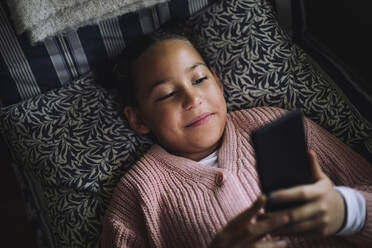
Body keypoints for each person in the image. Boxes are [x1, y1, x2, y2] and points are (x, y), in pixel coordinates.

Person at [101, 30, 372, 248]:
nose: (192, 98)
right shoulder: (139, 193)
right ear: (138, 119)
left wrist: (349, 211)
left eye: (199, 79)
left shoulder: (273, 121)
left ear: (218, 84)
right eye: (167, 94)